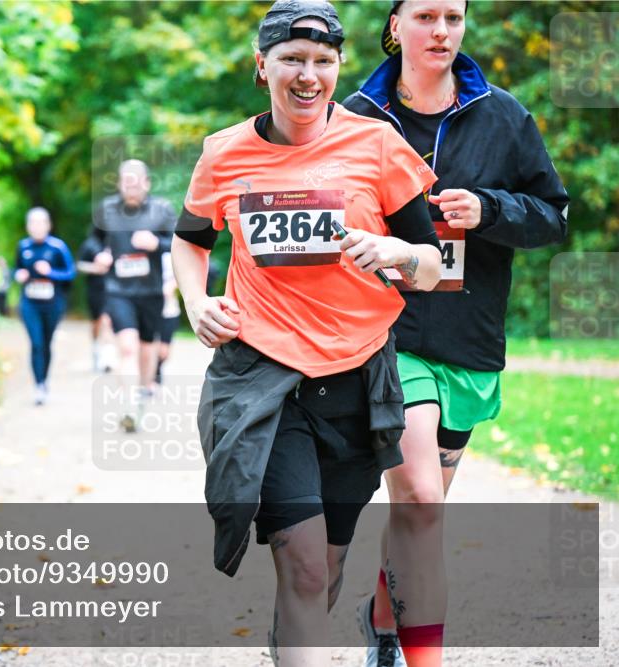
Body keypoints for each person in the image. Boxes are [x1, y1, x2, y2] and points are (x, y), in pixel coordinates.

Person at [172, 2, 444, 665]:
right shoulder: (224, 152)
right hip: (264, 380)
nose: (308, 75)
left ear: (339, 67)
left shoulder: (377, 146)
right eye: (292, 59)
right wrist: (194, 301)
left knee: (326, 562)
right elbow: (189, 240)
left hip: (357, 380)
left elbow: (434, 264)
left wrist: (396, 254)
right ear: (261, 65)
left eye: (323, 62)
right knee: (303, 567)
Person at [342, 3, 569, 666]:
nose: (441, 30)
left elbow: (552, 215)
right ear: (395, 25)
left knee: (424, 507)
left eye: (454, 17)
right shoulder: (354, 116)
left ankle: (383, 619)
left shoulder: (503, 115)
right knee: (417, 495)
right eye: (426, 16)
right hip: (387, 329)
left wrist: (489, 208)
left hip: (468, 335)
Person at [89, 159, 176, 431]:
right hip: (118, 291)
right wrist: (99, 254)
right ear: (119, 184)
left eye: (136, 182)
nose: (131, 187)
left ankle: (139, 402)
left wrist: (156, 243)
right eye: (126, 182)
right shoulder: (107, 210)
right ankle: (127, 405)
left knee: (147, 352)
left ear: (147, 183)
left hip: (151, 292)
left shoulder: (161, 210)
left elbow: (179, 243)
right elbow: (93, 240)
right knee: (127, 348)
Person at [13, 207, 76, 405]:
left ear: (48, 225)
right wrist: (19, 275)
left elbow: (71, 273)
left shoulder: (58, 247)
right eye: (33, 223)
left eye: (41, 222)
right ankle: (38, 385)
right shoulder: (23, 247)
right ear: (28, 226)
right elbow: (17, 268)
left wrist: (51, 273)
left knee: (47, 344)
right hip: (29, 303)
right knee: (36, 343)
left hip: (53, 304)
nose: (37, 227)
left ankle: (45, 380)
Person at [77, 234, 116, 373]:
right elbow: (80, 264)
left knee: (107, 321)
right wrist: (95, 268)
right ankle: (95, 349)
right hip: (95, 289)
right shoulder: (90, 244)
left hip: (114, 290)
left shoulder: (120, 239)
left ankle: (107, 359)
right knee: (96, 323)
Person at [154, 251, 181, 386]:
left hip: (169, 310)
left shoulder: (170, 256)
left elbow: (180, 276)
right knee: (150, 346)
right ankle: (152, 379)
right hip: (151, 309)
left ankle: (156, 370)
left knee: (164, 352)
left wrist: (170, 287)